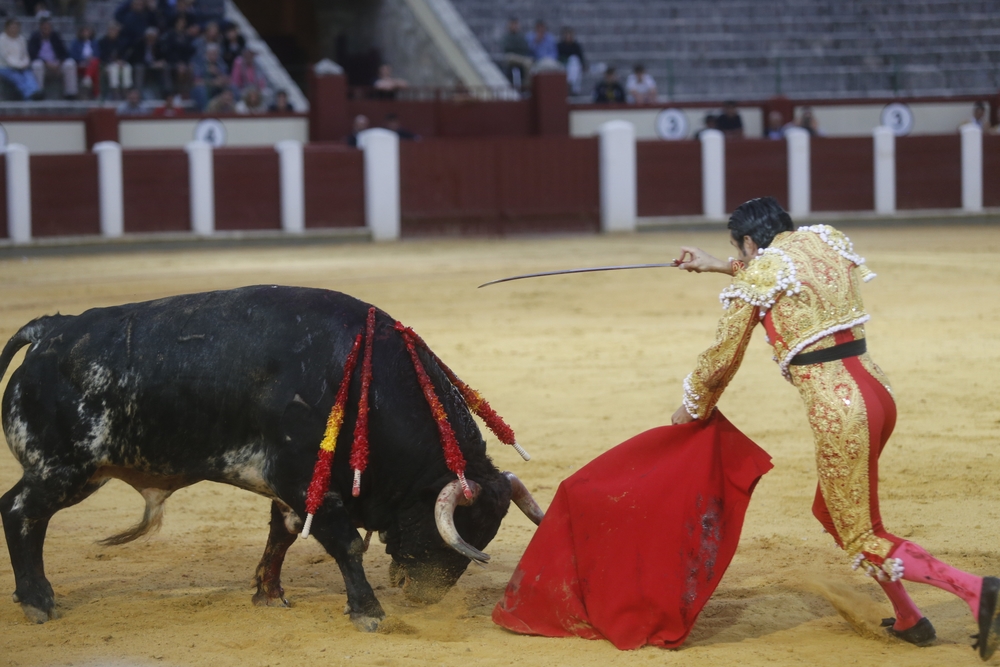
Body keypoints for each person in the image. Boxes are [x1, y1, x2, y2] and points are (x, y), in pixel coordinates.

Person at [671, 197, 1000, 658]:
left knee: (864, 535)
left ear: (749, 242)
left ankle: (976, 590)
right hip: (878, 394)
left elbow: (723, 358)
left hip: (841, 410)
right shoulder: (824, 240)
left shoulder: (761, 272)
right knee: (832, 513)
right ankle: (908, 617)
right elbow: (782, 274)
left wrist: (693, 404)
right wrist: (718, 265)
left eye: (740, 252)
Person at [28, 17, 78, 99]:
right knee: (36, 65)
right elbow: (32, 55)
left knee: (70, 63)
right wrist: (46, 63)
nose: (46, 30)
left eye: (48, 28)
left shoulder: (55, 36)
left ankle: (70, 93)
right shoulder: (34, 37)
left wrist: (59, 63)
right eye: (44, 28)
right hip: (43, 65)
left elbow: (64, 53)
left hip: (56, 65)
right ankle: (38, 93)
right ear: (40, 28)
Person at [0, 19, 41, 100]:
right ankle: (30, 96)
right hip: (5, 67)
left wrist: (24, 64)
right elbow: (6, 58)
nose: (14, 29)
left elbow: (25, 55)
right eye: (12, 27)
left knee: (29, 75)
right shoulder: (1, 39)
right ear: (7, 28)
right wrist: (19, 66)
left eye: (16, 27)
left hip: (21, 66)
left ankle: (36, 92)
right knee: (18, 77)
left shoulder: (21, 39)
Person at [97, 21, 132, 99]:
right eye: (111, 30)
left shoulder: (121, 41)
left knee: (127, 67)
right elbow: (102, 56)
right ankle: (115, 92)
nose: (113, 32)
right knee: (114, 68)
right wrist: (113, 61)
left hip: (120, 63)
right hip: (107, 64)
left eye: (115, 30)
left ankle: (125, 90)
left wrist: (122, 61)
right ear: (108, 31)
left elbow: (124, 54)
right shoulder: (102, 42)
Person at [500, 17, 532, 90]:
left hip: (521, 57)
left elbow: (525, 47)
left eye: (516, 24)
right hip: (511, 57)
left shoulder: (521, 36)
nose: (514, 26)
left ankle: (526, 85)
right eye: (512, 24)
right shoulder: (506, 36)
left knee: (529, 63)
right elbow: (507, 47)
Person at [69, 25, 99, 98]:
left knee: (94, 63)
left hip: (91, 64)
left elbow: (98, 54)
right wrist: (83, 59)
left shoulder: (94, 43)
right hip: (80, 64)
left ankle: (87, 78)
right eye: (84, 31)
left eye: (87, 31)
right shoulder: (76, 43)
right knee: (94, 67)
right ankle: (96, 94)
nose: (86, 33)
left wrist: (90, 59)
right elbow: (72, 55)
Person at [556, 26, 585, 95]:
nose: (569, 36)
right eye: (567, 34)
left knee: (574, 61)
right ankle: (568, 85)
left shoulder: (576, 46)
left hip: (574, 67)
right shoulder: (560, 46)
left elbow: (580, 58)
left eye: (570, 34)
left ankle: (572, 86)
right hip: (562, 65)